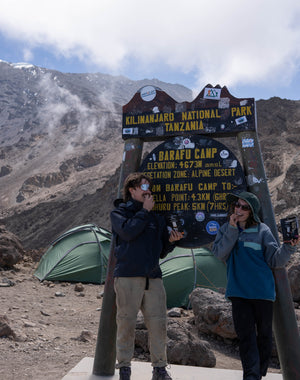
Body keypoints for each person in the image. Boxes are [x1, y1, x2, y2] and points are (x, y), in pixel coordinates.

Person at [212, 191, 299, 380]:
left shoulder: (263, 231)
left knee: (265, 336)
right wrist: (233, 230)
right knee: (246, 337)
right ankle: (251, 376)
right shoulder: (226, 228)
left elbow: (275, 260)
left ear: (252, 211)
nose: (239, 209)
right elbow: (219, 253)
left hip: (262, 293)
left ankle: (258, 373)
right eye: (237, 205)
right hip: (238, 293)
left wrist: (289, 247)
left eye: (244, 207)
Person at [111, 172, 183, 380]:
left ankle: (159, 369)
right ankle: (124, 368)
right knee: (126, 322)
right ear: (131, 190)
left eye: (149, 187)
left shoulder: (155, 218)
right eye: (143, 186)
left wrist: (171, 241)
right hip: (127, 277)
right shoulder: (119, 213)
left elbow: (160, 251)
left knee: (159, 323)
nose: (148, 190)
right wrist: (144, 211)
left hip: (153, 278)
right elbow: (128, 233)